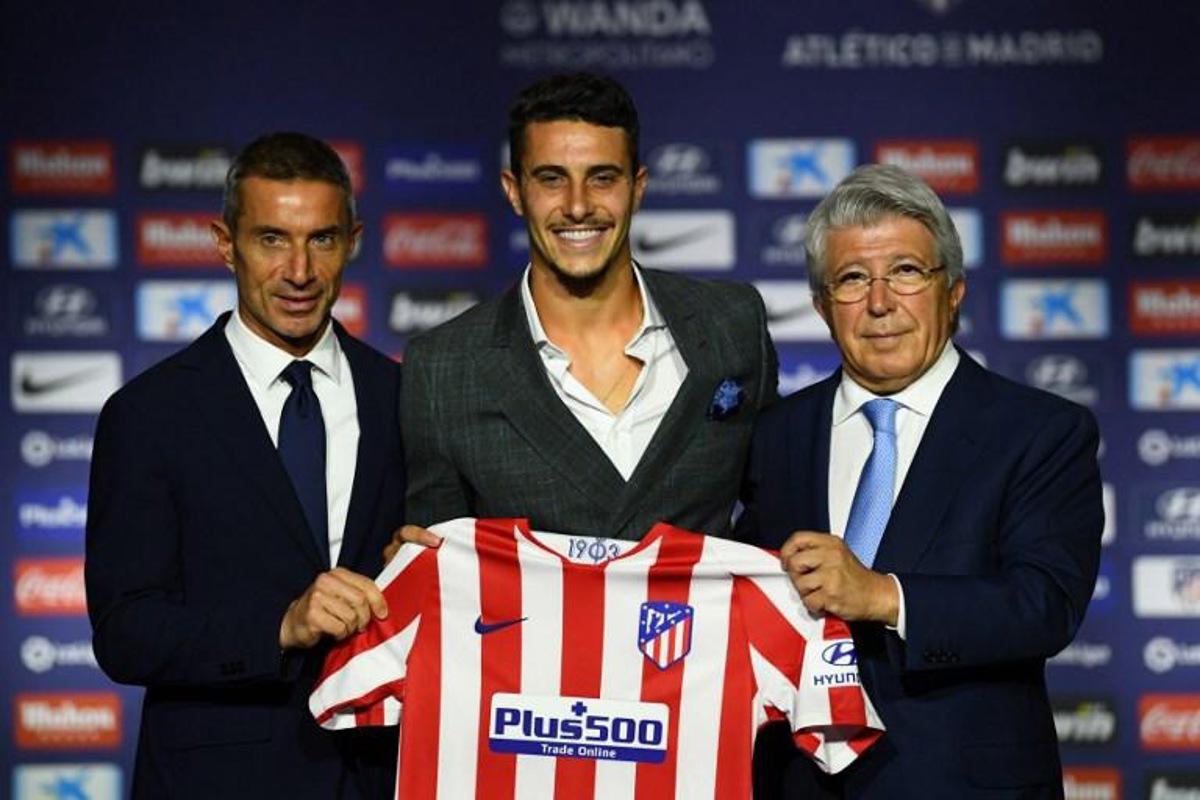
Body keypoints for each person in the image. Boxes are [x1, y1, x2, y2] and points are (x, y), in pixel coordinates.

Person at [736, 164, 1103, 798]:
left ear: (953, 290)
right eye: (852, 279)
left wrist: (882, 596)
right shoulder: (776, 433)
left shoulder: (1041, 431)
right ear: (823, 306)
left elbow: (1044, 606)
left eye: (906, 272)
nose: (880, 303)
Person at [85, 132, 404, 799]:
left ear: (354, 241)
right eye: (271, 240)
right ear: (225, 242)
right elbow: (125, 632)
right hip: (217, 781)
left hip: (381, 774)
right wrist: (281, 626)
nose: (299, 271)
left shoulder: (403, 398)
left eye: (321, 239)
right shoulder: (149, 414)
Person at [395, 71, 777, 546]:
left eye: (602, 178)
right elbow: (441, 565)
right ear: (514, 191)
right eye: (552, 179)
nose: (578, 206)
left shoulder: (733, 324)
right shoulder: (444, 368)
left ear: (637, 187)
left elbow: (777, 515)